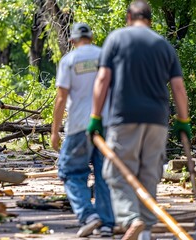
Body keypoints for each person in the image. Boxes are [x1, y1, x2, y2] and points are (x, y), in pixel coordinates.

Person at [87, 1, 191, 239]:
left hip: (124, 117)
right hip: (157, 120)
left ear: (128, 17)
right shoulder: (163, 45)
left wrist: (95, 116)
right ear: (150, 20)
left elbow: (102, 80)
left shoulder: (116, 39)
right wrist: (183, 120)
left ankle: (131, 218)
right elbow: (178, 87)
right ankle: (144, 230)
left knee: (118, 172)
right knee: (149, 173)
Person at [50, 23, 115, 238]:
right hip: (105, 124)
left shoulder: (69, 60)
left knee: (70, 171)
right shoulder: (105, 56)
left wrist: (55, 131)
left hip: (79, 126)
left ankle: (88, 215)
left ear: (72, 40)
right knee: (104, 175)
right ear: (93, 37)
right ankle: (107, 223)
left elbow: (61, 98)